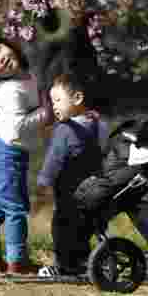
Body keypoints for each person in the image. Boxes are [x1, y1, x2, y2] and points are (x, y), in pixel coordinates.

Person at [0, 36, 52, 275]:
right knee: (14, 208)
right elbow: (18, 126)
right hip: (4, 152)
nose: (1, 58)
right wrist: (45, 113)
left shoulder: (27, 76)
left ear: (10, 45)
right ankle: (17, 261)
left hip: (5, 151)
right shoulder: (9, 91)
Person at [36, 72, 109, 280]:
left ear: (77, 98)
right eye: (52, 102)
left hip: (68, 195)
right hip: (95, 191)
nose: (54, 106)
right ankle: (84, 263)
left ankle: (64, 267)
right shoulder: (99, 124)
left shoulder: (64, 129)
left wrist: (43, 183)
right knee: (84, 230)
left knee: (62, 229)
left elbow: (54, 160)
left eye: (58, 100)